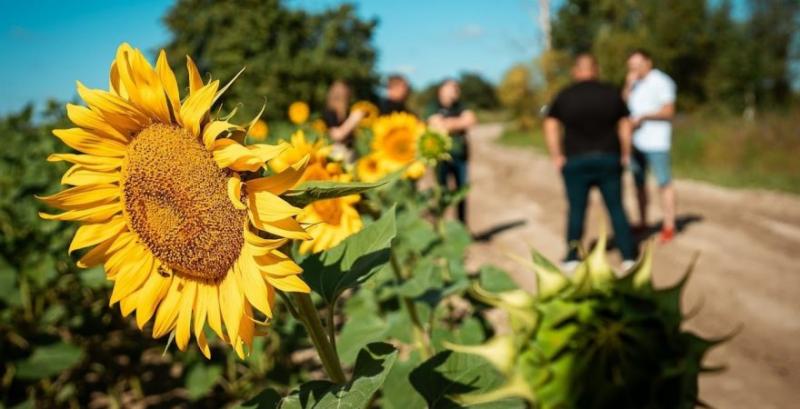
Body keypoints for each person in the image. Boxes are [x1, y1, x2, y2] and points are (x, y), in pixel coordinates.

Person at [544, 53, 637, 270]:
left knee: (576, 209)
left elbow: (550, 126)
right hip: (608, 158)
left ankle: (572, 257)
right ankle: (628, 257)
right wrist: (626, 152)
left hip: (575, 161)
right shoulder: (611, 93)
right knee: (616, 208)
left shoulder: (564, 95)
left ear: (576, 71)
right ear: (596, 70)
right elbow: (625, 124)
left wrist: (556, 155)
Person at [623, 49, 677, 243]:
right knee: (638, 183)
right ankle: (643, 221)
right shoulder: (635, 84)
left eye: (637, 65)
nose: (634, 69)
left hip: (657, 142)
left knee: (664, 182)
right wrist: (628, 86)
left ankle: (669, 225)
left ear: (648, 62)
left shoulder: (662, 81)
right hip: (636, 143)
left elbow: (669, 111)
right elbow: (621, 106)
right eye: (631, 66)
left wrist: (645, 116)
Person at [427, 79, 477, 225]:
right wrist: (459, 122)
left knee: (461, 192)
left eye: (457, 87)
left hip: (461, 156)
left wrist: (447, 124)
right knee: (440, 192)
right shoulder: (433, 105)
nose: (456, 90)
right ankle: (439, 225)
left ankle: (461, 226)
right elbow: (435, 124)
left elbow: (471, 120)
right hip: (440, 156)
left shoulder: (461, 105)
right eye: (452, 87)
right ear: (441, 90)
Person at [323, 80, 364, 162]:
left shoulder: (347, 111)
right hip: (338, 152)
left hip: (351, 151)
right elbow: (337, 135)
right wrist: (353, 120)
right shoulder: (330, 112)